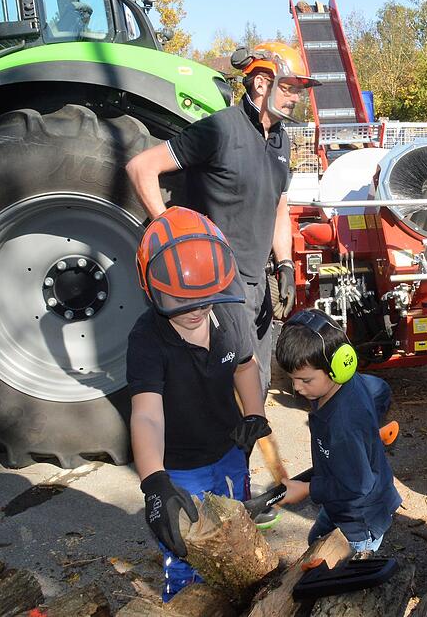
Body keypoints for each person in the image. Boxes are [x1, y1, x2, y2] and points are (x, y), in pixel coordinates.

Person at [126, 41, 319, 395]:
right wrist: (171, 235)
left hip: (256, 285)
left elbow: (279, 206)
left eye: (297, 91)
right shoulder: (220, 129)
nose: (295, 98)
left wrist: (286, 265)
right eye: (289, 88)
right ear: (262, 84)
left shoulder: (282, 141)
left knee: (256, 387)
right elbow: (142, 167)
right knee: (224, 394)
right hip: (217, 287)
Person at [128, 207, 270, 600]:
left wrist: (254, 412)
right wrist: (156, 483)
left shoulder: (229, 312)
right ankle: (184, 598)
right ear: (151, 287)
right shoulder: (147, 338)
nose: (195, 311)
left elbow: (246, 365)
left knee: (236, 532)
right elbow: (146, 414)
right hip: (179, 467)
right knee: (187, 549)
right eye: (182, 302)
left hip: (228, 451)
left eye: (204, 301)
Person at [276, 310, 402, 554]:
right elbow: (380, 389)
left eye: (305, 380)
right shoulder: (341, 385)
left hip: (359, 520)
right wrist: (369, 435)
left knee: (343, 573)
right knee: (316, 541)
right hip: (339, 501)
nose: (296, 387)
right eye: (292, 378)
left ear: (337, 368)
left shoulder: (343, 424)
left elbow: (358, 485)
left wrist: (307, 489)